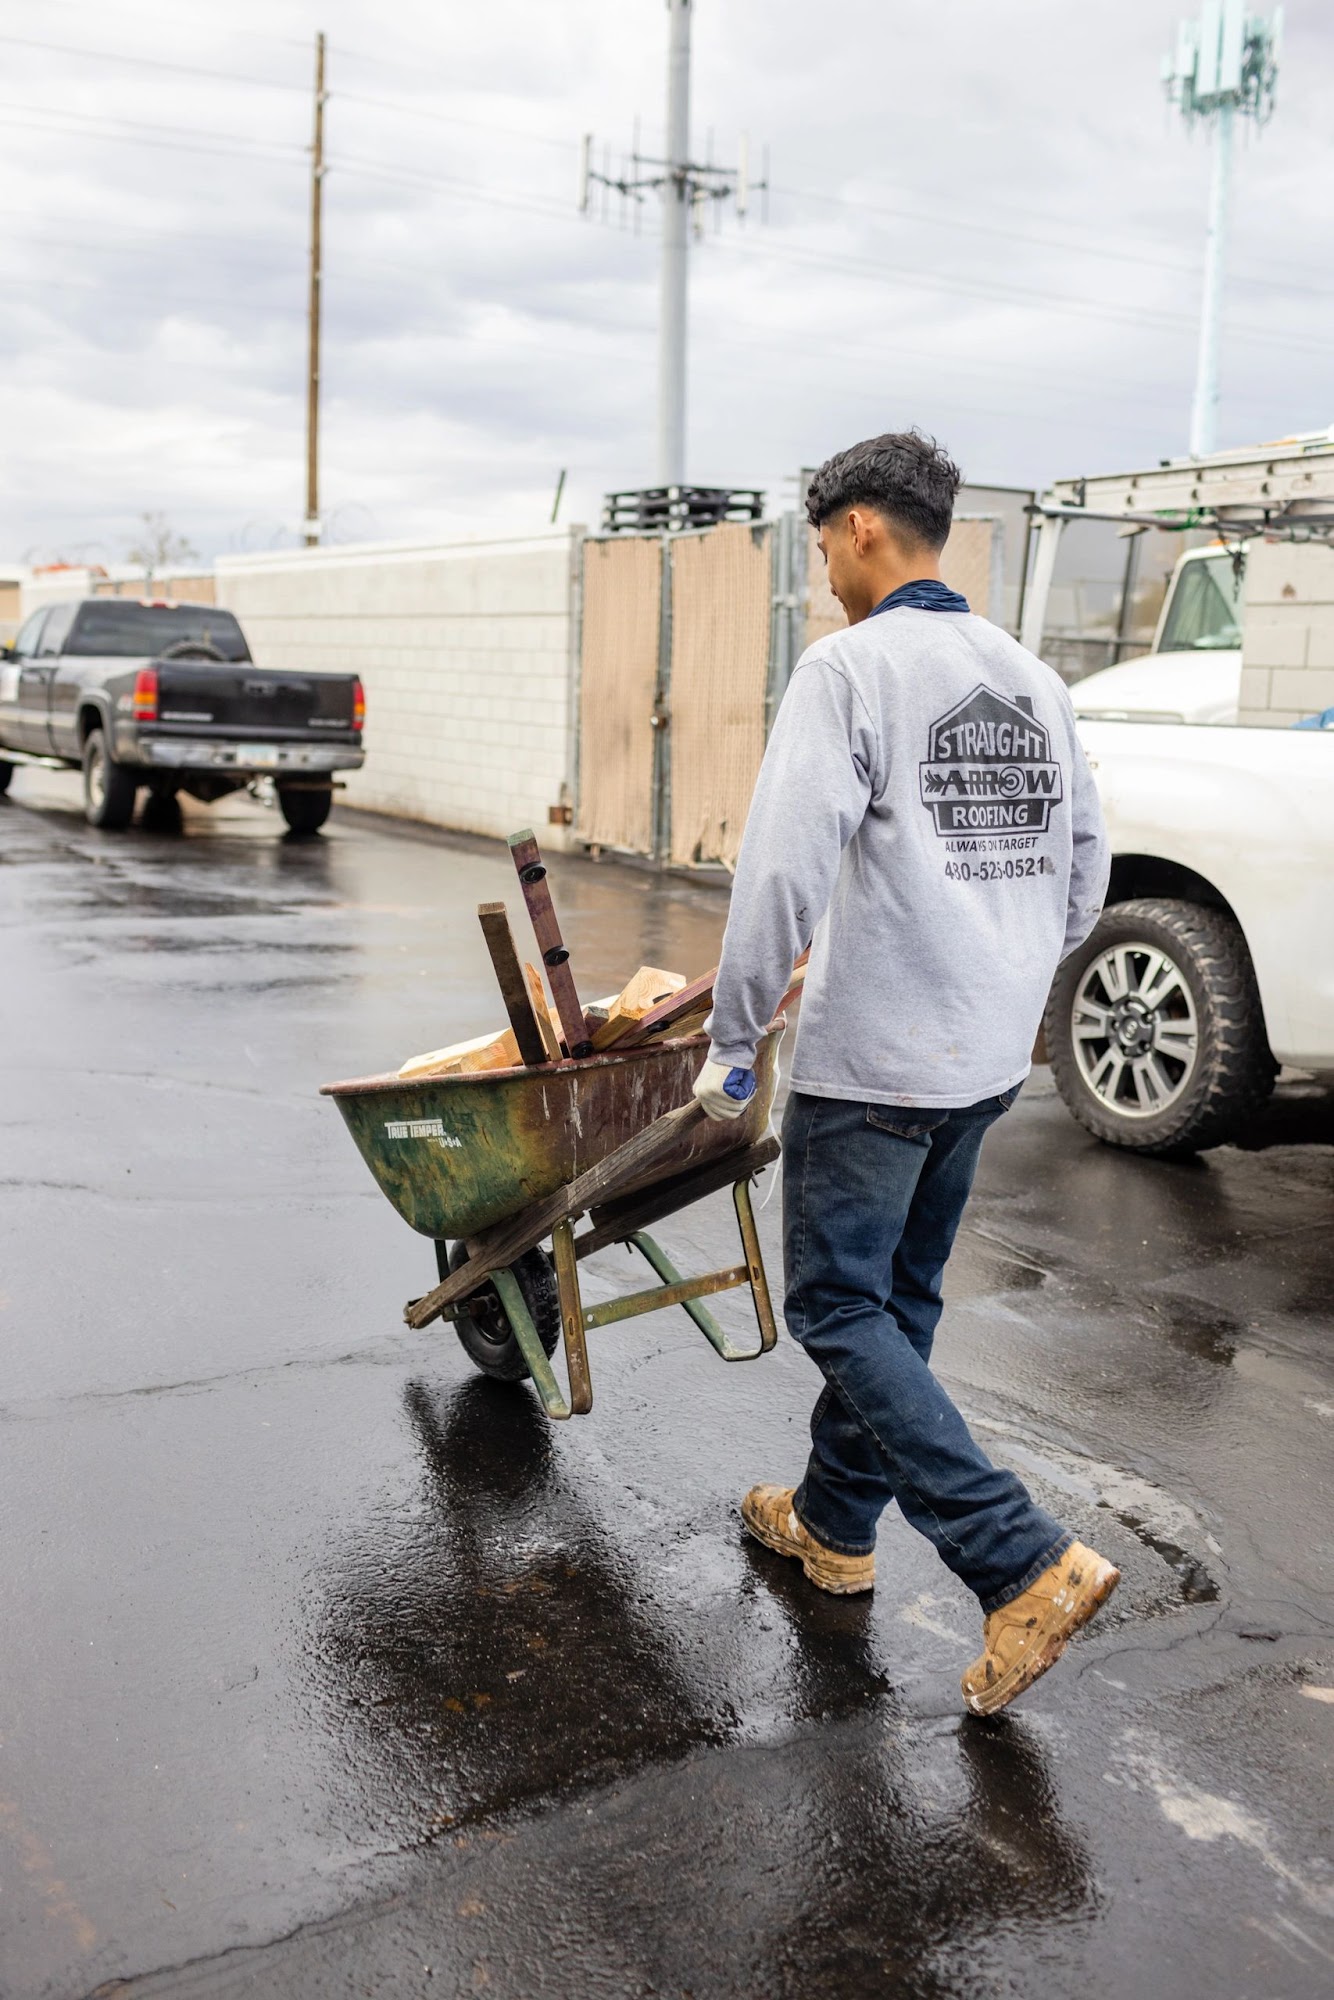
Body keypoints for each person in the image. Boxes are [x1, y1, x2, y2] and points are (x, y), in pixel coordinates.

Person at [692, 430, 1119, 1716]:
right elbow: (1084, 875)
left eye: (821, 545)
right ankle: (832, 1522)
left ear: (862, 527)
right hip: (983, 1059)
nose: (821, 571)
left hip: (874, 1062)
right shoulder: (1027, 676)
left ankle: (1018, 1559)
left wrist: (731, 1042)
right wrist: (998, 973)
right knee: (901, 1300)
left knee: (836, 1305)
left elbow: (778, 868)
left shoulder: (850, 669)